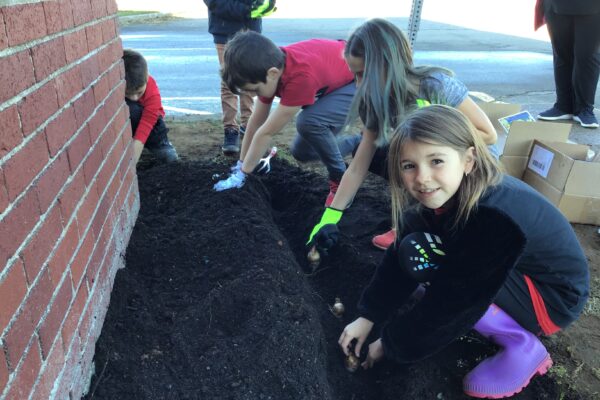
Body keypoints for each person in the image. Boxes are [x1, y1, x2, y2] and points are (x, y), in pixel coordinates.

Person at [338, 105, 589, 399]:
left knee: (450, 278)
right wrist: (367, 316)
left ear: (468, 160)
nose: (422, 178)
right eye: (409, 166)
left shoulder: (494, 216)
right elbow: (398, 256)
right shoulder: (446, 197)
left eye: (436, 161)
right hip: (516, 274)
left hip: (551, 299)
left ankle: (521, 344)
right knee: (416, 249)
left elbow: (455, 302)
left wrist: (389, 345)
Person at [306, 19, 497, 252]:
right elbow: (358, 167)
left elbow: (488, 134)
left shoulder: (434, 87)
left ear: (389, 64)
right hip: (428, 165)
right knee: (385, 153)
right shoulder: (374, 103)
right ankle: (414, 218)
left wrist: (434, 144)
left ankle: (427, 223)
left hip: (467, 170)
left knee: (416, 161)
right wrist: (330, 217)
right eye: (354, 76)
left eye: (363, 74)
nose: (358, 85)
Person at [213, 31, 361, 206]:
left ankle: (341, 179)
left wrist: (243, 174)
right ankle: (362, 143)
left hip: (361, 80)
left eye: (255, 90)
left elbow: (267, 133)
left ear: (273, 74)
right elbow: (255, 123)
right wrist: (241, 165)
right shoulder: (267, 70)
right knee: (302, 152)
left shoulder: (299, 78)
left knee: (308, 121)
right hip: (336, 82)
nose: (253, 96)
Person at [204, 0, 276, 155]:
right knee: (228, 79)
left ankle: (248, 126)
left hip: (250, 30)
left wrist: (266, 5)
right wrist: (248, 9)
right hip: (225, 29)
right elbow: (214, 3)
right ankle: (231, 129)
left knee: (250, 75)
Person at [535, 0, 600, 129]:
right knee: (561, 55)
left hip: (594, 7)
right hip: (555, 5)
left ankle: (585, 108)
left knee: (587, 55)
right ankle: (563, 106)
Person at [122, 49, 179, 165]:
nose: (134, 98)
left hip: (152, 126)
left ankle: (160, 144)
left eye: (139, 92)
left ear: (147, 77)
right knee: (130, 109)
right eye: (128, 93)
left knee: (170, 159)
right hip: (130, 121)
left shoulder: (153, 94)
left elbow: (145, 127)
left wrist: (131, 167)